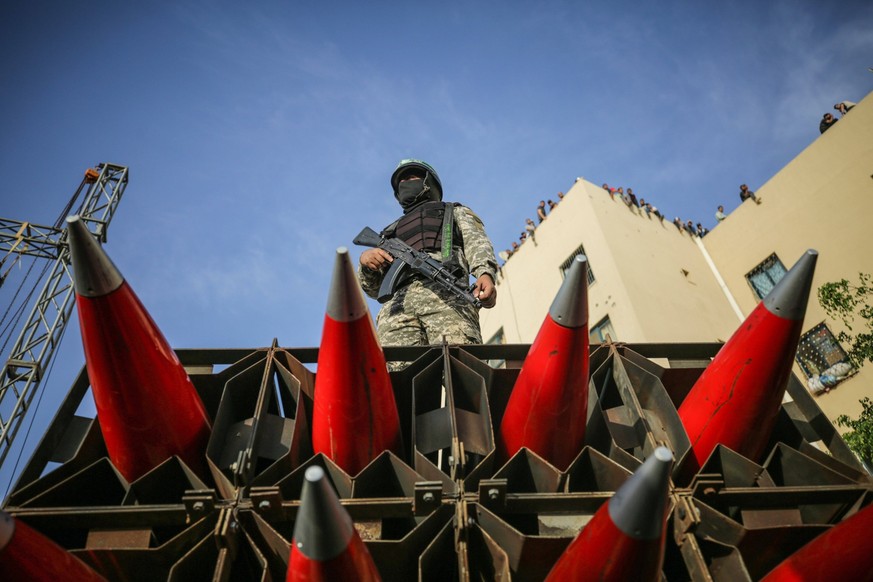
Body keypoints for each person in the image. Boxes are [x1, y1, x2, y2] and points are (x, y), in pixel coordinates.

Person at [358, 159, 498, 350]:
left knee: (458, 367)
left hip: (447, 296)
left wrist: (485, 273)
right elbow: (374, 290)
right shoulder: (389, 233)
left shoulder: (453, 211)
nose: (406, 182)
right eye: (402, 180)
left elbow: (476, 243)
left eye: (413, 176)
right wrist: (367, 264)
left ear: (429, 183)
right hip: (397, 308)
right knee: (397, 374)